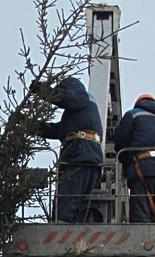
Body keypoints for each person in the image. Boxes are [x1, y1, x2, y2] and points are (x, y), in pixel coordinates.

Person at [31, 77, 104, 223]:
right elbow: (56, 130)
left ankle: (61, 228)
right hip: (87, 156)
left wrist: (43, 91)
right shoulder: (80, 115)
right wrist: (29, 125)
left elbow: (66, 98)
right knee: (71, 204)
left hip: (80, 156)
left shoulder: (82, 96)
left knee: (66, 203)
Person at [114, 93, 155, 231]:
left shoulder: (133, 115)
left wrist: (127, 165)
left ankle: (142, 238)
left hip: (141, 166)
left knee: (140, 212)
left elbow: (120, 142)